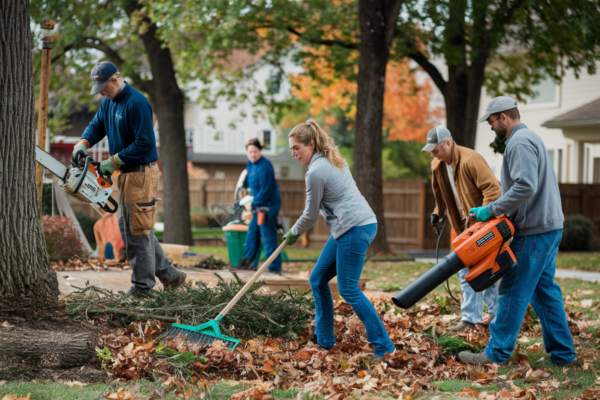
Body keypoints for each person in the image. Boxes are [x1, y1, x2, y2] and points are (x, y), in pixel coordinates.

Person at [459, 96, 578, 367]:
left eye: (491, 122)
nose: (490, 127)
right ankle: (563, 355)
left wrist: (491, 210)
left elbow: (525, 187)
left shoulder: (519, 142)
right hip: (549, 227)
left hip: (535, 232)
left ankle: (495, 354)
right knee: (544, 292)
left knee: (511, 290)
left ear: (503, 117)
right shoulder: (531, 138)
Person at [72, 62, 186, 298]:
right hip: (127, 174)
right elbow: (97, 126)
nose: (102, 92)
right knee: (133, 227)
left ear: (115, 79)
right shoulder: (108, 102)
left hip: (141, 172)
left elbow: (145, 142)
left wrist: (114, 161)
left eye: (104, 87)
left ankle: (143, 288)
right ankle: (171, 276)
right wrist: (82, 143)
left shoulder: (137, 102)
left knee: (137, 232)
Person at [283, 120, 396, 359]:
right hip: (353, 227)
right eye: (291, 148)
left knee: (348, 288)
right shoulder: (331, 160)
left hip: (355, 228)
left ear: (311, 144)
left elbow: (310, 215)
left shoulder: (315, 171)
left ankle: (384, 345)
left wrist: (293, 232)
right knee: (317, 279)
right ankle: (324, 340)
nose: (293, 153)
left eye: (297, 148)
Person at [423, 126, 501, 332]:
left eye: (436, 149)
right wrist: (438, 212)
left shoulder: (471, 159)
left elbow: (493, 188)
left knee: (467, 269)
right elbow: (439, 191)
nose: (433, 153)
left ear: (448, 143)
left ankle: (470, 319)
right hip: (463, 226)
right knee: (484, 270)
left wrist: (486, 217)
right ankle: (496, 314)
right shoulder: (438, 165)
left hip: (481, 226)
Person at [234, 138, 282, 273]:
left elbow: (266, 191)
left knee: (268, 236)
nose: (253, 155)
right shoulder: (251, 164)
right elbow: (248, 179)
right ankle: (248, 262)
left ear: (259, 151)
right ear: (247, 152)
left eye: (255, 151)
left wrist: (251, 203)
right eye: (250, 152)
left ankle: (274, 267)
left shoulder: (265, 167)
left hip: (268, 205)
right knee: (252, 234)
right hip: (257, 205)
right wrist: (242, 183)